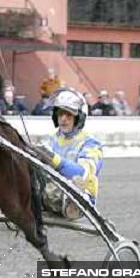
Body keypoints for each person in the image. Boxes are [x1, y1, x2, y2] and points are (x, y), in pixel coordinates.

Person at [36, 90, 104, 218]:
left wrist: (53, 159)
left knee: (76, 182)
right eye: (60, 114)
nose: (63, 119)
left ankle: (72, 206)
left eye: (68, 115)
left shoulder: (91, 144)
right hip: (52, 190)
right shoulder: (50, 139)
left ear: (79, 118)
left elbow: (83, 173)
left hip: (81, 193)